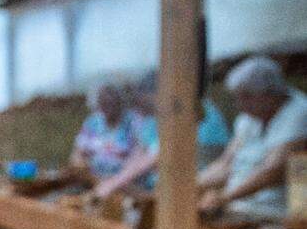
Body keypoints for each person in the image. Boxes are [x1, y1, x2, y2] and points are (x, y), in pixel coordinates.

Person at [198, 56, 307, 223]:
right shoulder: (247, 119)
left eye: (246, 97)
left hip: (275, 215)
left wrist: (225, 197)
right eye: (237, 97)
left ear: (270, 93)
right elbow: (225, 164)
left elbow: (272, 172)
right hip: (240, 209)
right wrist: (190, 185)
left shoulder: (299, 114)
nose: (239, 104)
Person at [93, 72, 231, 199]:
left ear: (158, 94)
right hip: (162, 186)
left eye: (142, 101)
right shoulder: (153, 117)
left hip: (198, 183)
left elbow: (159, 155)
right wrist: (115, 180)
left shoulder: (188, 108)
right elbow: (140, 153)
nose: (140, 108)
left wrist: (115, 183)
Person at [69, 83, 140, 181]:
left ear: (120, 102)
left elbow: (141, 155)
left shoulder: (132, 121)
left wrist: (117, 178)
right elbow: (77, 155)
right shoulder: (92, 122)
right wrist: (83, 169)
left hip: (125, 180)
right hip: (93, 179)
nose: (107, 107)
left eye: (111, 103)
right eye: (103, 103)